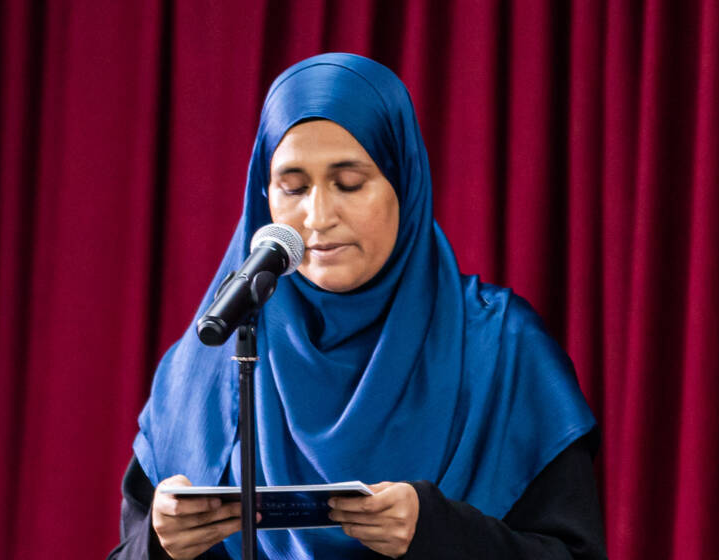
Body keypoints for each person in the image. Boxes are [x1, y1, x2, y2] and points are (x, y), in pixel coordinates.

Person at [108, 53, 607, 559]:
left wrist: (439, 532)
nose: (318, 216)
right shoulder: (209, 360)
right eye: (293, 187)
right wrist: (158, 546)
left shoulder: (502, 347)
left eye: (348, 183)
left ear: (404, 184)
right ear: (264, 198)